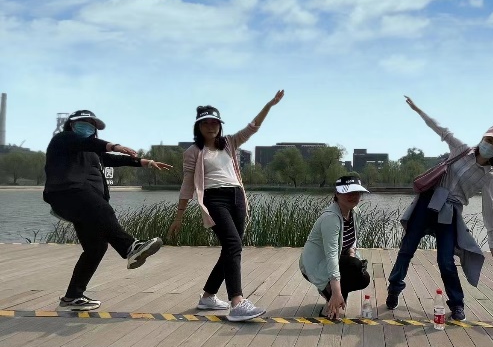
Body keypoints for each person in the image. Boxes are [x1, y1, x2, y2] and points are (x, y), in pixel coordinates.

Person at [386, 96, 493, 322]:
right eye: (488, 140)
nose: (490, 145)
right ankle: (394, 287)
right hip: (428, 201)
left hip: (450, 212)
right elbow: (440, 129)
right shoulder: (461, 149)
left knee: (445, 260)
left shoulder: (489, 177)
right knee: (407, 249)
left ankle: (457, 303)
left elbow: (490, 209)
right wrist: (418, 109)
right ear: (482, 138)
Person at [167, 90, 284, 322]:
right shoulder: (193, 152)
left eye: (215, 123)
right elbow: (187, 184)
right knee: (233, 244)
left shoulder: (230, 142)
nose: (211, 127)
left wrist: (269, 105)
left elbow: (253, 127)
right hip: (214, 199)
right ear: (198, 127)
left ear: (220, 125)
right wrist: (179, 216)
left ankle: (208, 297)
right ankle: (237, 302)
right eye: (206, 123)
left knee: (231, 247)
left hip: (237, 197)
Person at [44, 109, 171, 311]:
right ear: (71, 124)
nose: (88, 126)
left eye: (92, 124)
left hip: (85, 202)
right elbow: (88, 143)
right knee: (104, 210)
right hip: (67, 193)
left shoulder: (93, 152)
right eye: (84, 122)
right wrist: (116, 145)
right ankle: (131, 247)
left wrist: (144, 162)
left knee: (96, 247)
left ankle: (73, 296)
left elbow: (113, 159)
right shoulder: (63, 139)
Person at [299, 175, 372, 320]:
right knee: (354, 266)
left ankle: (333, 296)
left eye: (357, 192)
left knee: (363, 277)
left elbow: (353, 238)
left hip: (336, 259)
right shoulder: (331, 218)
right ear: (337, 194)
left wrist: (352, 252)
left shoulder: (355, 212)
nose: (353, 196)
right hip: (316, 264)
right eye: (348, 192)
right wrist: (337, 291)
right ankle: (331, 297)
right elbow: (331, 255)